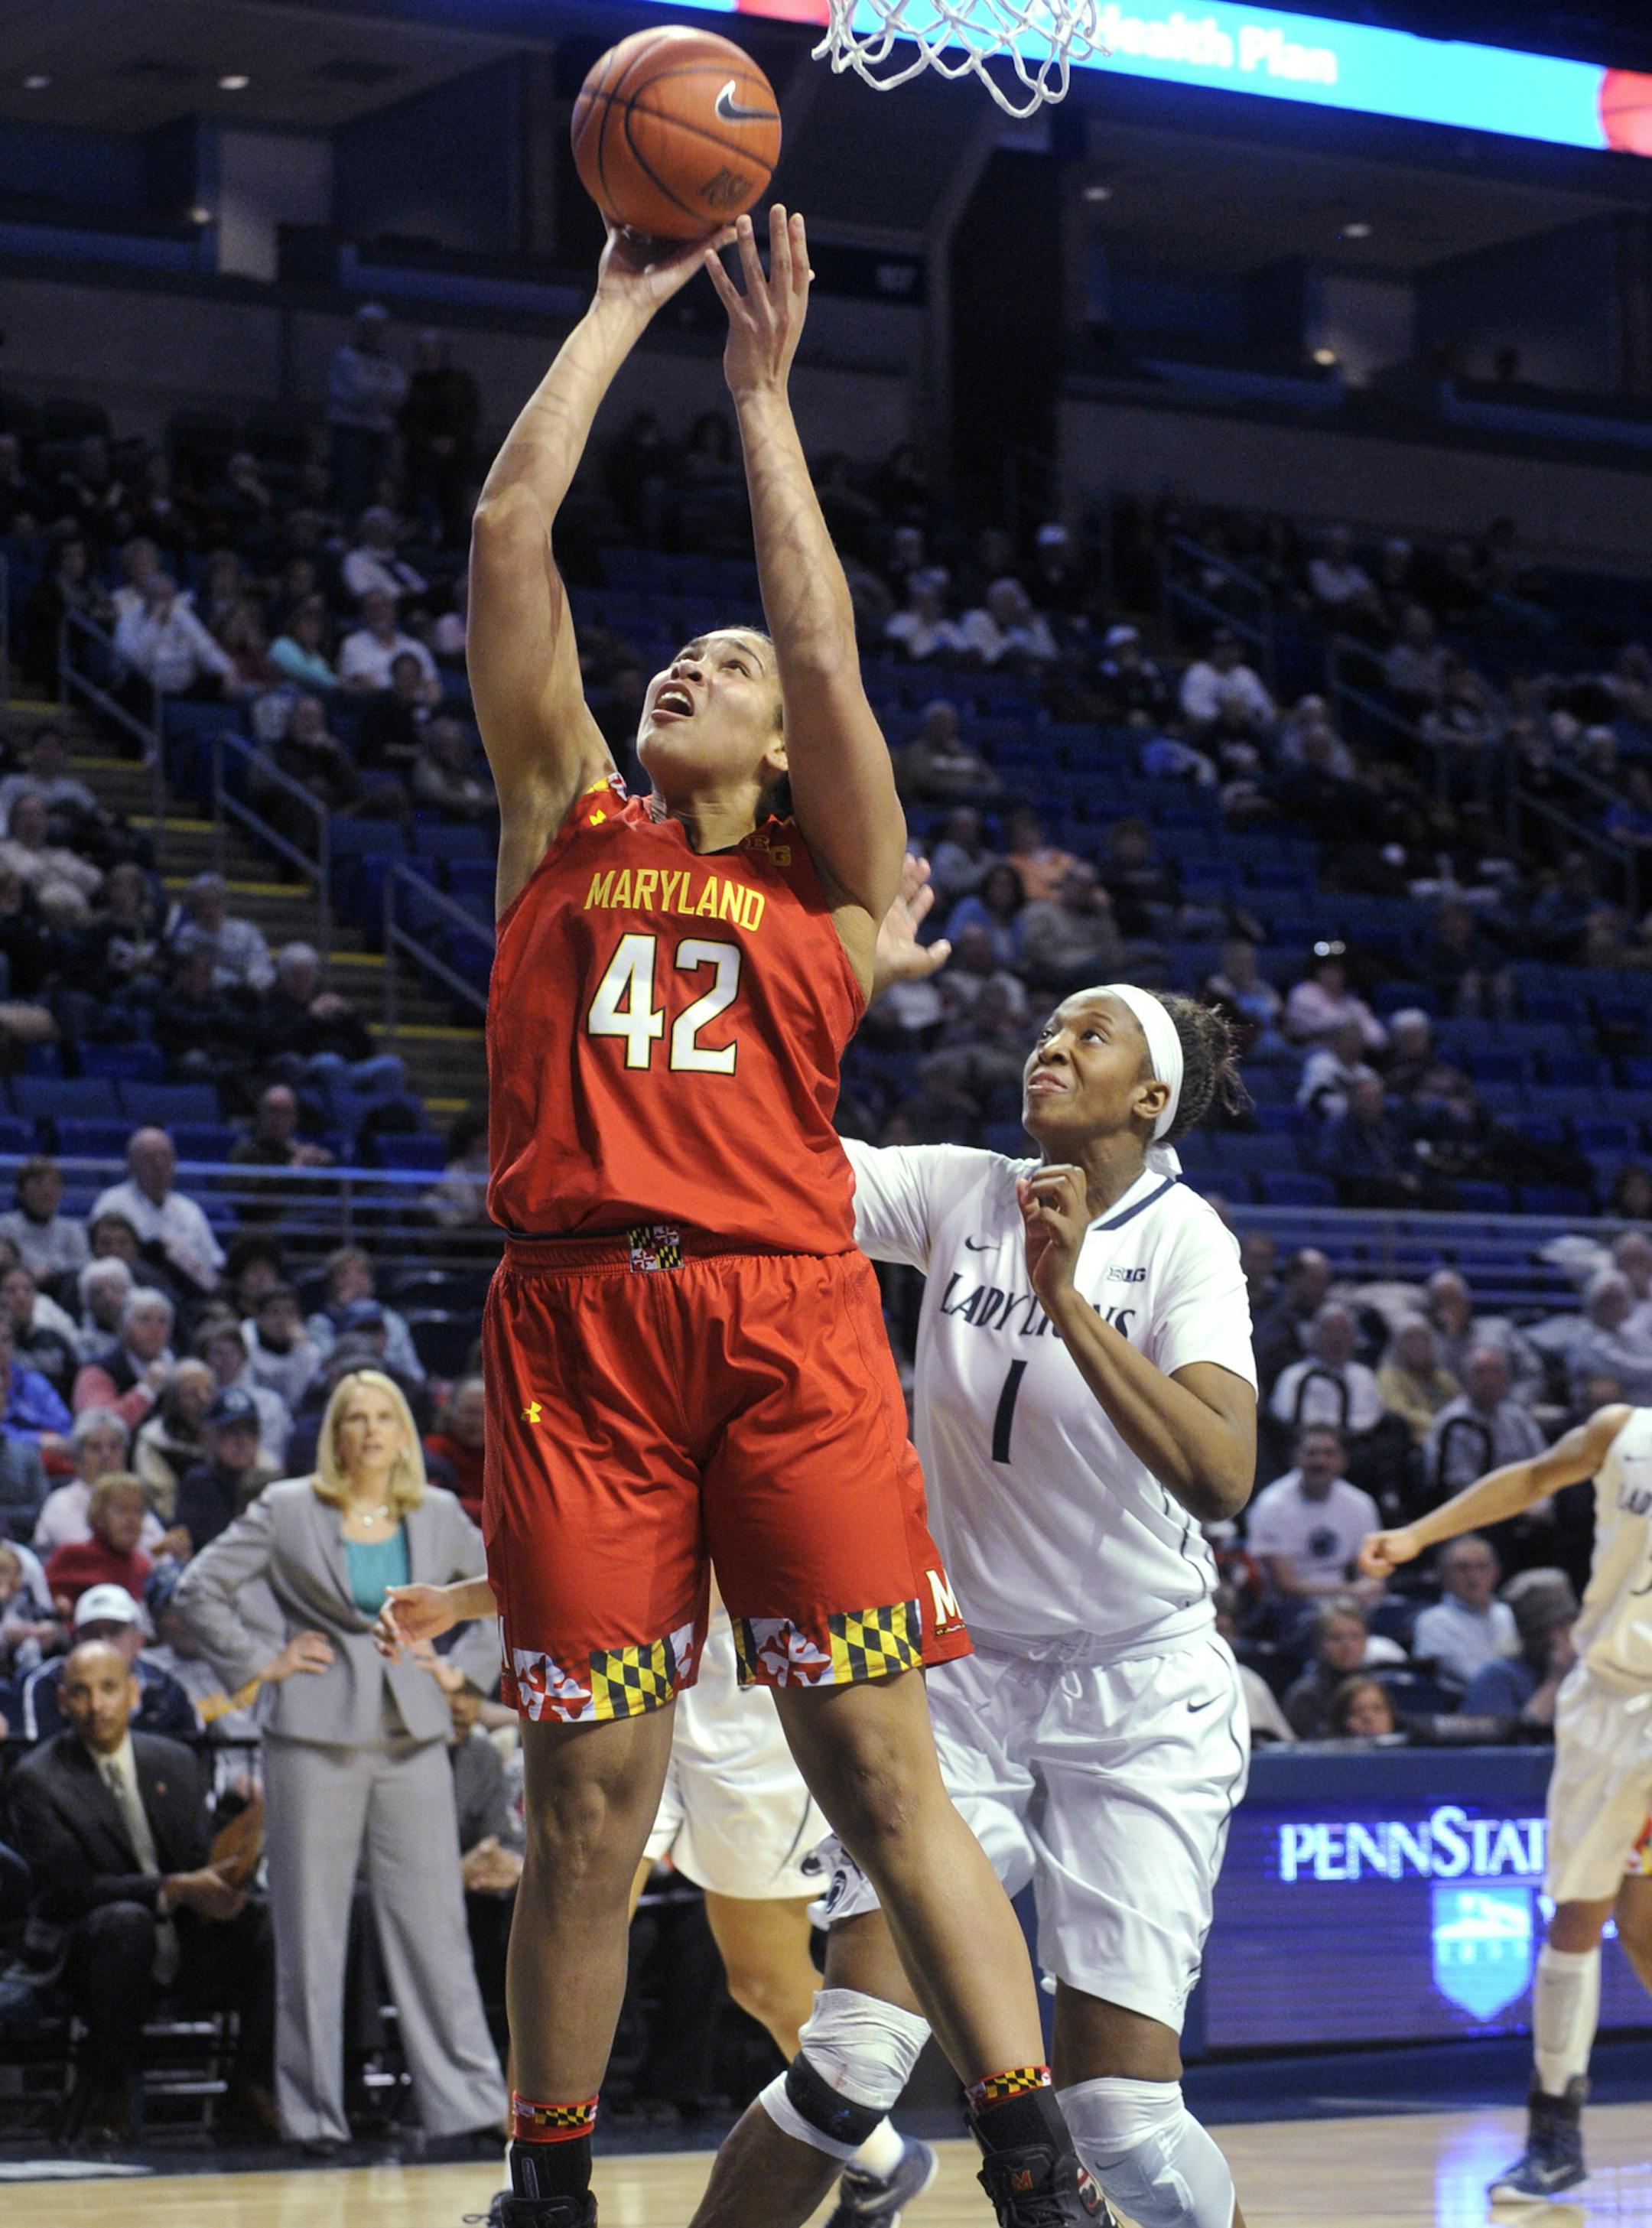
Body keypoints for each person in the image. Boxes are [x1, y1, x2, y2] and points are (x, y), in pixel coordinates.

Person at [464, 205, 1092, 2228]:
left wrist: (762, 398)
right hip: (580, 1328)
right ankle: (546, 2191)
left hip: (787, 1325)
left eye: (725, 669)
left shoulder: (836, 887)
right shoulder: (562, 812)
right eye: (691, 654)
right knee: (588, 1795)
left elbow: (820, 644)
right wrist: (616, 308)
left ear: (779, 747)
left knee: (880, 1779)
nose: (701, 666)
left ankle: (1031, 2153)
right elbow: (505, 543)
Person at [677, 942, 1259, 2228]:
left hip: (1138, 1682)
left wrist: (1072, 1305)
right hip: (962, 1675)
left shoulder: (1186, 1246)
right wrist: (828, 975)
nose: (1051, 1043)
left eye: (1089, 1034)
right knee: (848, 2059)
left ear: (1149, 1100)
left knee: (1126, 2123)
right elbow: (766, 1156)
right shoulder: (960, 1188)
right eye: (1047, 1025)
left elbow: (1223, 1470)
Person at [173, 1369, 504, 2148]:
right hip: (311, 1736)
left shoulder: (439, 1511)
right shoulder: (287, 1507)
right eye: (353, 1418)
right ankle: (311, 2113)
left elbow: (511, 1587)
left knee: (436, 1928)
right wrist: (263, 1659)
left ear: (402, 1431)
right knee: (310, 1934)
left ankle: (469, 2102)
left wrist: (467, 1674)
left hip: (412, 1733)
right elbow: (198, 1589)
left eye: (383, 1416)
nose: (369, 1431)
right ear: (334, 1433)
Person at [1361, 1403, 1652, 2202]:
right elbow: (1529, 1477)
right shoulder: (1621, 1432)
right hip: (1605, 1701)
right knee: (1590, 1921)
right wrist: (1419, 1535)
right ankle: (1554, 2138)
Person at [6, 1637, 276, 2143]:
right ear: (62, 1701)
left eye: (109, 1689)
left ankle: (248, 2089)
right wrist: (173, 1888)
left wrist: (226, 1871)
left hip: (181, 1938)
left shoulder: (175, 1760)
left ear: (133, 1693)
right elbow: (71, 1890)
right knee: (125, 1922)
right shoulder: (36, 1778)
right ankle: (109, 2091)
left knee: (264, 1919)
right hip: (83, 1952)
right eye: (81, 1692)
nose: (96, 1705)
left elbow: (196, 1856)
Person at [18, 1582, 199, 1742]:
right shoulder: (48, 1682)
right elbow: (39, 1762)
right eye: (91, 1633)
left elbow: (191, 1758)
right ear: (76, 1641)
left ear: (138, 1640)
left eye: (115, 1632)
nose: (103, 1643)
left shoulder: (165, 1684)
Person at [1246, 1426, 1382, 1604]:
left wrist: (1370, 1586)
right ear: (1296, 1458)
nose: (1320, 1461)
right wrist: (1350, 1590)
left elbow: (1371, 1572)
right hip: (1290, 1606)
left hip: (1348, 1603)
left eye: (1329, 1454)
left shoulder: (1361, 1504)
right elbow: (1286, 1584)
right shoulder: (1272, 1505)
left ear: (1343, 1460)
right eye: (1312, 1453)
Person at [92, 1130, 224, 1298]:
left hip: (190, 1292)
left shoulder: (189, 1209)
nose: (159, 1165)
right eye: (149, 1158)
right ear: (132, 1164)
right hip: (132, 1291)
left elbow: (214, 1260)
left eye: (165, 1157)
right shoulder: (112, 1203)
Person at [1423, 1345, 1546, 1503]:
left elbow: (1543, 1462)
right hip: (1478, 1511)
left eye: (1496, 1371)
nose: (1489, 1380)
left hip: (1531, 1500)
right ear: (1466, 1378)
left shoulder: (1516, 1416)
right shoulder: (1453, 1423)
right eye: (1480, 1372)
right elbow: (1460, 1487)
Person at [1280, 1596, 1403, 1738]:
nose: (1347, 1646)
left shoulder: (1378, 1690)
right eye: (1336, 1637)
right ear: (1320, 1643)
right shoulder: (1303, 1696)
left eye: (1355, 1636)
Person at [1410, 1533, 1519, 1688]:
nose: (1474, 1577)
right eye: (1462, 1568)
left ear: (1496, 1572)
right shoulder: (1434, 1622)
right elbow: (1473, 1678)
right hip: (1465, 1705)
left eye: (1482, 1567)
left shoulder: (1507, 1615)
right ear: (1442, 1575)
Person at [0, 1155, 89, 1291]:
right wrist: (29, 1274)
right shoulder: (6, 1227)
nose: (47, 1192)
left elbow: (84, 1266)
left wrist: (52, 1272)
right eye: (38, 1184)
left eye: (54, 1184)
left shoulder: (73, 1229)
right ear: (21, 1191)